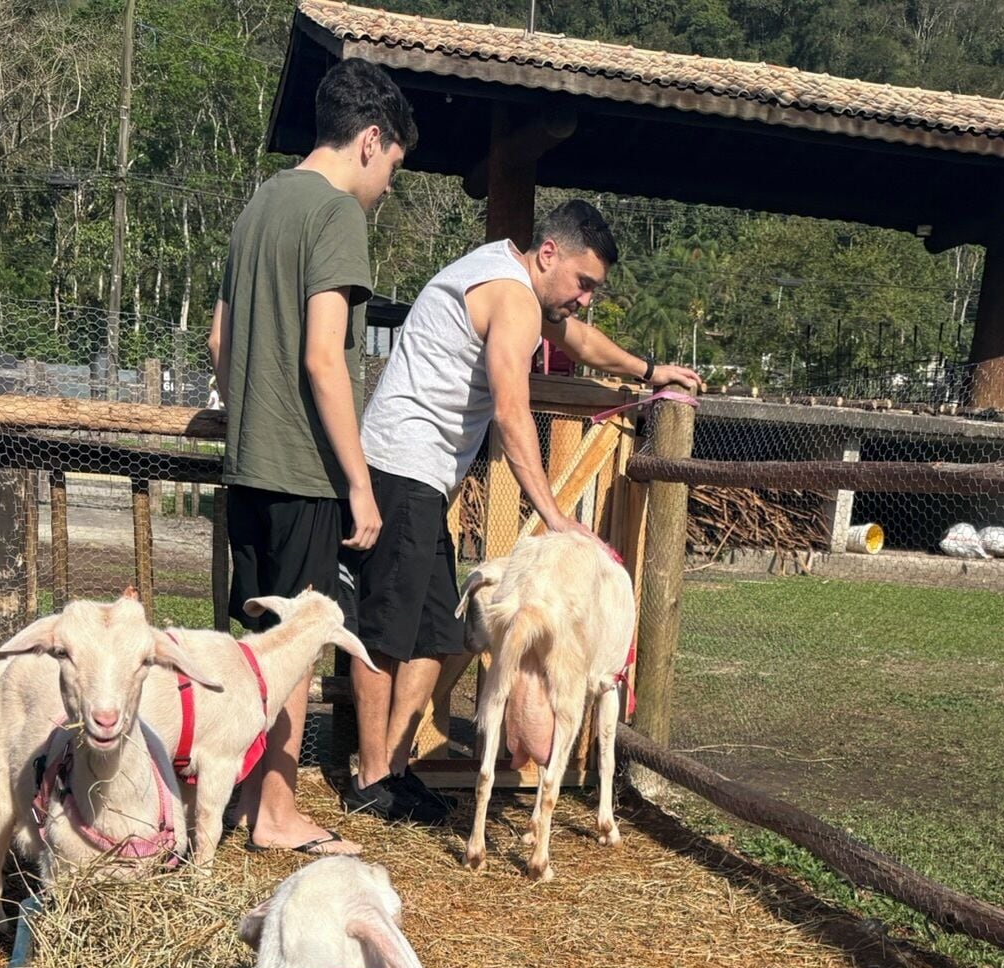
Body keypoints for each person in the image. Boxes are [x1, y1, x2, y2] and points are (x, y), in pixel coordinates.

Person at [345, 199, 703, 822]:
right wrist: (555, 515)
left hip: (426, 480)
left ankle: (395, 770)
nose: (586, 298)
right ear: (548, 255)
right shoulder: (511, 298)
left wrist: (650, 372)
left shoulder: (522, 291)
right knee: (386, 629)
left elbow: (582, 341)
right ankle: (371, 777)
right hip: (399, 469)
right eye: (584, 283)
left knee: (434, 630)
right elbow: (512, 413)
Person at [208, 58, 416, 855]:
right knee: (294, 647)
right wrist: (360, 485)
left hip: (246, 465)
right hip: (303, 472)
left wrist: (248, 416)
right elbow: (327, 361)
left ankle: (240, 796)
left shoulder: (259, 204)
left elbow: (222, 343)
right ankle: (277, 812)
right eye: (393, 165)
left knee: (255, 647)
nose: (389, 186)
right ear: (370, 140)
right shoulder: (336, 216)